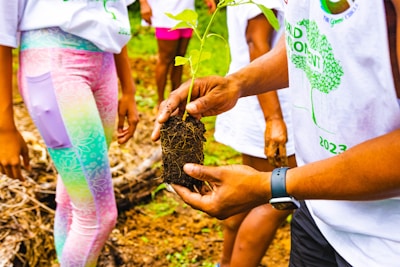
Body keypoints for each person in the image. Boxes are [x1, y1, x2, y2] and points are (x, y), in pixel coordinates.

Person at [152, 0, 400, 266]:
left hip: (385, 241)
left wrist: (272, 185)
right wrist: (237, 83)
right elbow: (308, 38)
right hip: (317, 215)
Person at [0, 1, 139, 266]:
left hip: (105, 64)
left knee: (73, 200)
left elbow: (114, 11)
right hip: (55, 62)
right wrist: (4, 126)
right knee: (99, 217)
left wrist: (129, 88)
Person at [213, 2, 296, 267]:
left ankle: (226, 262)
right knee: (275, 202)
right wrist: (274, 119)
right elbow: (257, 44)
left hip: (256, 101)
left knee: (248, 197)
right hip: (270, 105)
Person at [138, 0, 216, 109]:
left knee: (180, 57)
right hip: (165, 13)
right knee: (165, 58)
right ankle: (160, 102)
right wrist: (143, 3)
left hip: (186, 12)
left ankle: (176, 99)